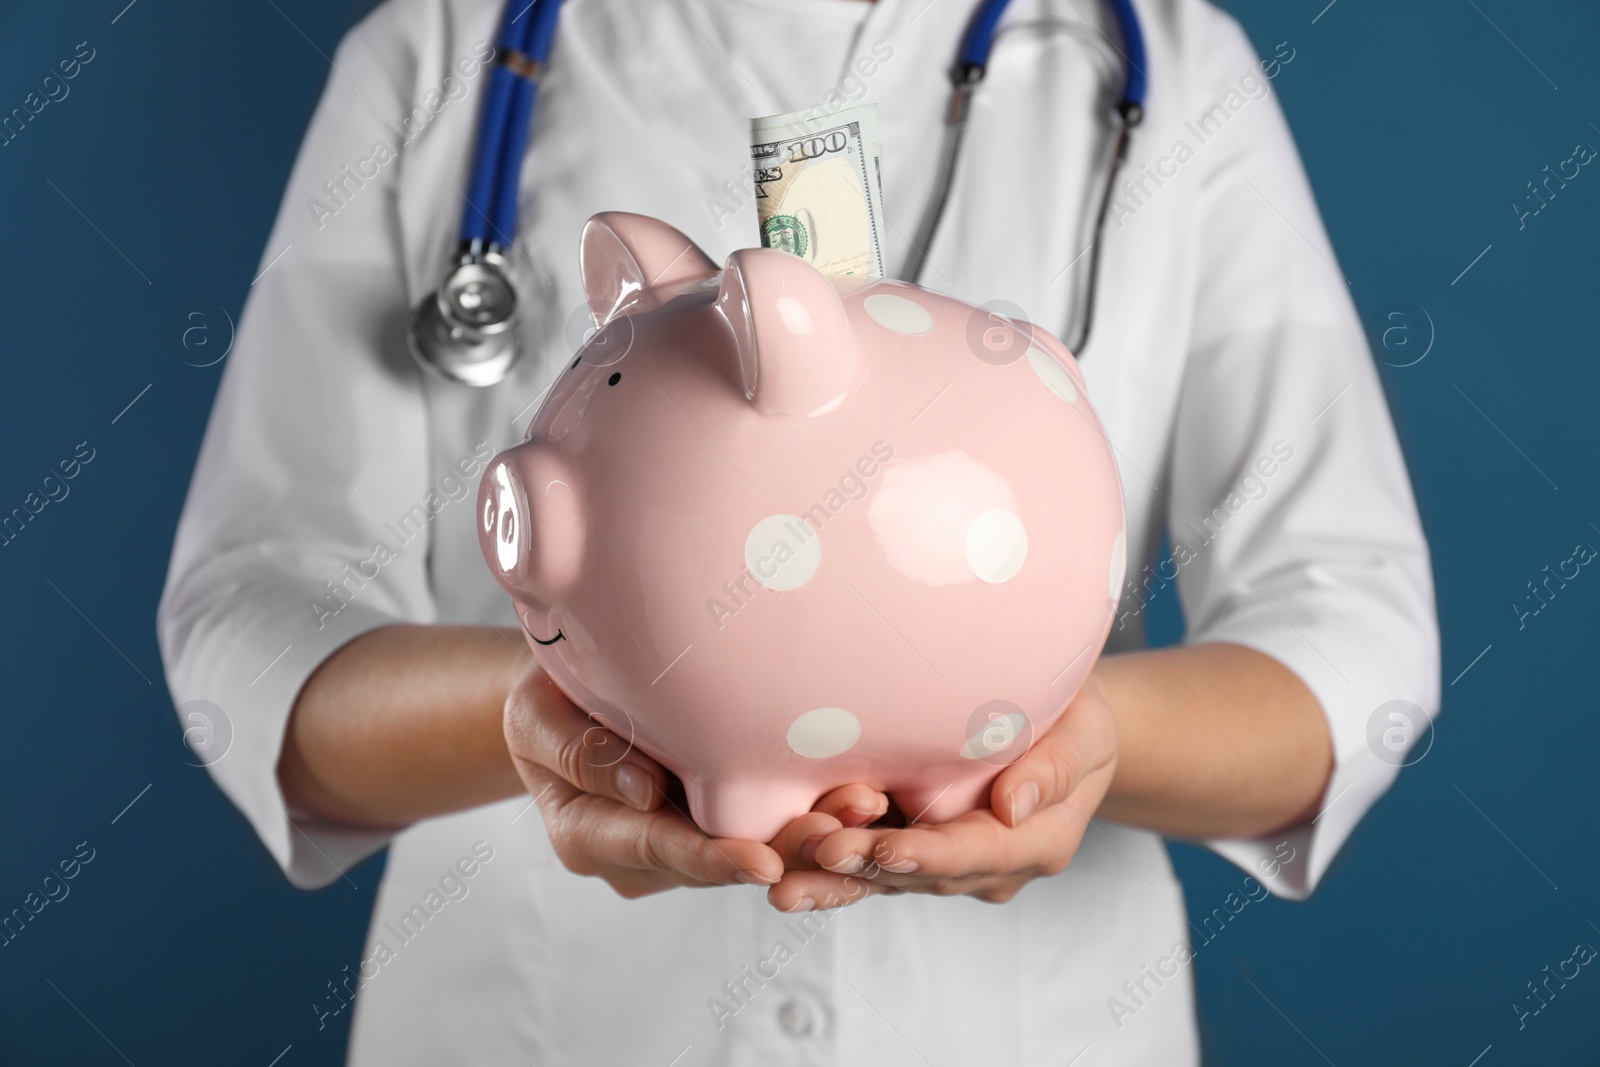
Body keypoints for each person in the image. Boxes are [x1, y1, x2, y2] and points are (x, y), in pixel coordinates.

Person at [157, 0, 1439, 1062]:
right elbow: (252, 625)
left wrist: (1081, 733)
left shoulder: (1163, 64)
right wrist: (549, 703)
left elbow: (1353, 635)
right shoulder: (444, 53)